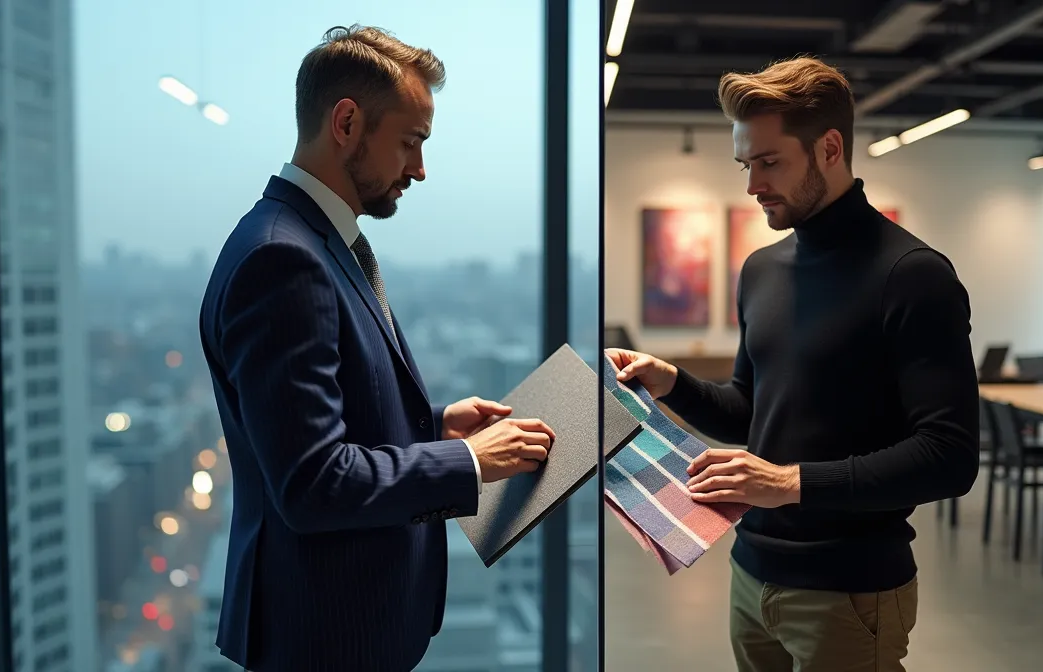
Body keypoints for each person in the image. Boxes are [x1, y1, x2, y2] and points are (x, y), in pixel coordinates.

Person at [199, 25, 555, 672]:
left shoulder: (311, 242)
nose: (419, 169)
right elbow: (312, 483)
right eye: (411, 141)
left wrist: (433, 424)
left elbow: (326, 422)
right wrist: (468, 461)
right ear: (346, 123)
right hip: (327, 638)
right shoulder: (283, 260)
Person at [607, 56, 980, 672]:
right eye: (746, 165)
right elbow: (750, 413)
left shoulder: (913, 276)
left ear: (829, 149)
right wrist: (669, 381)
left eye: (769, 162)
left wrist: (786, 483)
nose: (752, 184)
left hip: (850, 591)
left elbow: (950, 457)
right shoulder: (761, 271)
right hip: (750, 574)